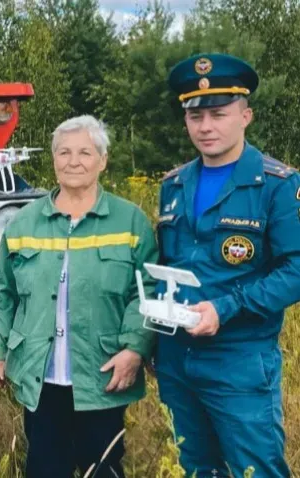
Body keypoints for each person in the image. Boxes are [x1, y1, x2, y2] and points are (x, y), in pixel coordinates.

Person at [0, 115, 158, 478]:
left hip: (102, 374)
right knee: (45, 468)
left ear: (103, 160)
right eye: (64, 152)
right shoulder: (23, 223)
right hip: (41, 377)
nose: (73, 161)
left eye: (84, 152)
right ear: (53, 159)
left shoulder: (129, 221)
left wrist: (134, 349)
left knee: (103, 468)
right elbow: (3, 293)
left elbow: (146, 292)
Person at [155, 53, 300, 477]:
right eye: (195, 117)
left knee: (256, 469)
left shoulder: (277, 184)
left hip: (238, 357)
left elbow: (295, 269)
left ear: (245, 116)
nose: (206, 127)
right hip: (178, 357)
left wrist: (226, 308)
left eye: (218, 114)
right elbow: (169, 264)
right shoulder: (173, 185)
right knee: (199, 468)